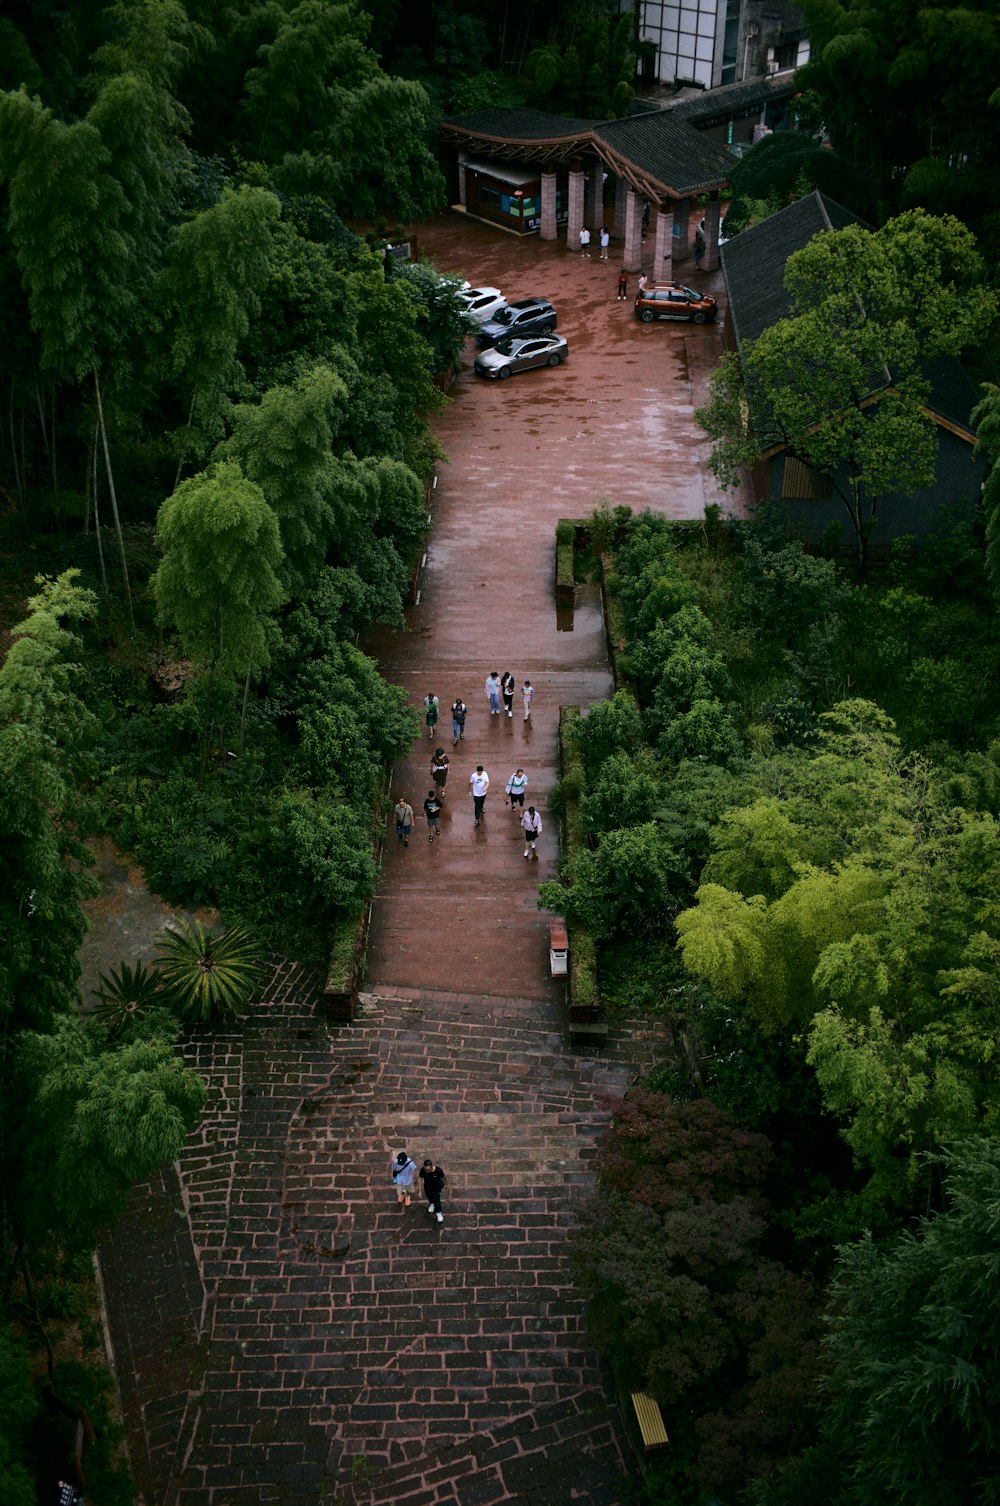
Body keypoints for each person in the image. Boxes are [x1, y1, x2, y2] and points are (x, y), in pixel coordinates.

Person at [420, 1159, 446, 1224]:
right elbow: (420, 1179)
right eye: (426, 1169)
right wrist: (419, 1191)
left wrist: (447, 1185)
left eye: (428, 1169)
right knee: (430, 1197)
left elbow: (444, 1177)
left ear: (432, 1166)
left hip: (436, 1187)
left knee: (436, 1200)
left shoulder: (438, 1170)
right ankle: (432, 1204)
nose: (427, 1171)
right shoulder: (423, 1170)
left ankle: (438, 1212)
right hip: (428, 1187)